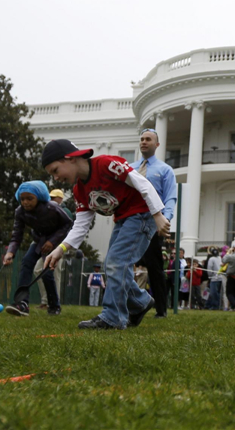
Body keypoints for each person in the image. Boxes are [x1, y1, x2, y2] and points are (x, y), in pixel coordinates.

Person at [41, 139, 170, 330]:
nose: (55, 178)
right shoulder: (79, 191)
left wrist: (157, 215)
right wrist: (61, 249)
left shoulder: (106, 164)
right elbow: (81, 225)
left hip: (142, 214)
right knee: (112, 263)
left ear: (69, 158)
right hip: (123, 219)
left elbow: (142, 183)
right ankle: (139, 302)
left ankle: (113, 317)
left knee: (116, 262)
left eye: (55, 170)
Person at [2, 181, 72, 316]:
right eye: (22, 199)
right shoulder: (20, 212)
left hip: (55, 242)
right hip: (39, 241)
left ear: (39, 197)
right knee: (27, 262)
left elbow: (68, 224)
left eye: (29, 198)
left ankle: (54, 306)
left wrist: (52, 242)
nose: (25, 202)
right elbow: (17, 235)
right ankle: (22, 304)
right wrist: (10, 252)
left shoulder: (52, 208)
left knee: (46, 272)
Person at [130, 128, 178, 319]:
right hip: (130, 222)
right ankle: (130, 303)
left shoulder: (165, 170)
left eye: (148, 139)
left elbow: (170, 197)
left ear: (157, 144)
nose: (144, 142)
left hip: (152, 224)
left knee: (155, 267)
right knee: (124, 265)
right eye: (141, 139)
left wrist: (165, 221)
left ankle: (161, 309)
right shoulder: (131, 169)